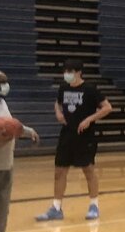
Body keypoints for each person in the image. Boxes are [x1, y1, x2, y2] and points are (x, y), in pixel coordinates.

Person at [37, 59, 112, 222]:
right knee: (59, 171)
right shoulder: (63, 88)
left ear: (79, 72)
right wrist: (58, 113)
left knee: (88, 170)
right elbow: (57, 103)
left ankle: (94, 205)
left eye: (70, 71)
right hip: (67, 134)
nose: (67, 74)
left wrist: (89, 119)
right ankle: (56, 208)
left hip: (85, 136)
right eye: (66, 71)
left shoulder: (90, 89)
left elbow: (107, 107)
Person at [0, 70, 40, 232]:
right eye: (1, 82)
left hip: (6, 162)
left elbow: (11, 125)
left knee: (3, 205)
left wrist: (29, 131)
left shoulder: (1, 102)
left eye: (6, 82)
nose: (5, 86)